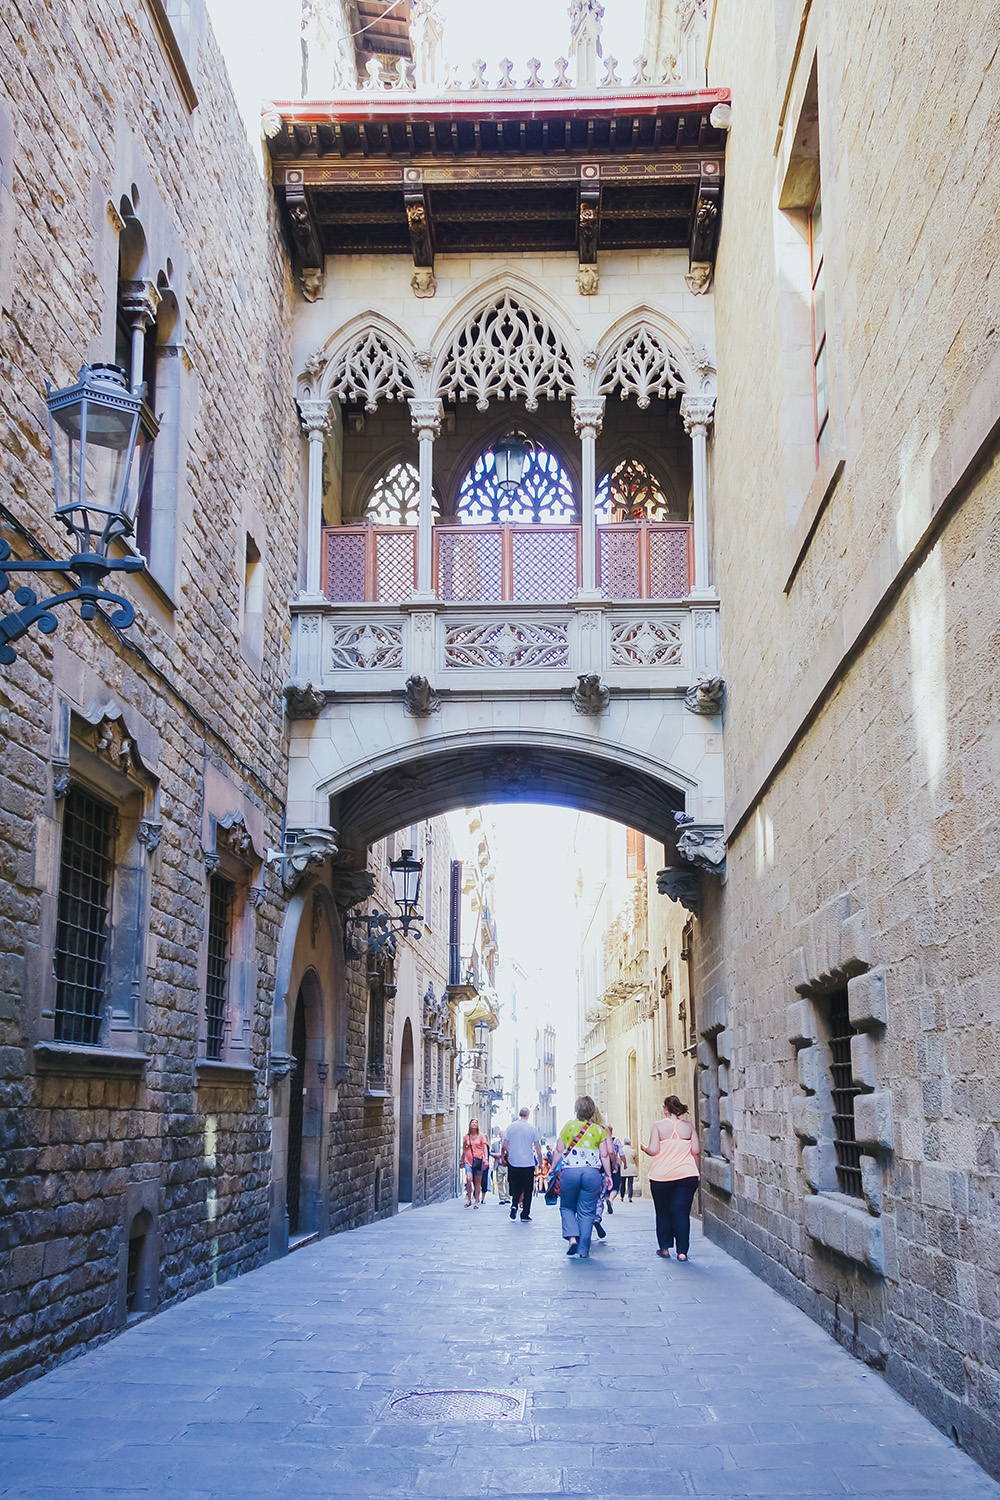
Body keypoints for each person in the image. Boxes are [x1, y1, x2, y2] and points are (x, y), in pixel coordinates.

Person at [549, 1095, 614, 1258]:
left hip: (570, 1172)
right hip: (591, 1173)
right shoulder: (599, 1130)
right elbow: (605, 1155)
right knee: (587, 1211)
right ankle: (584, 1250)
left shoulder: (568, 1127)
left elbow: (558, 1151)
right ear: (592, 1111)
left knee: (567, 1207)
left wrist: (551, 1168)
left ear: (576, 1110)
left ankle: (572, 1238)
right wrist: (608, 1175)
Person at [642, 1095, 700, 1260]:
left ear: (666, 1109)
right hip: (686, 1175)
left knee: (663, 1212)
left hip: (661, 1177)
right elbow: (695, 1150)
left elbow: (653, 1150)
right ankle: (682, 1252)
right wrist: (697, 1171)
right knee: (682, 1214)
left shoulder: (658, 1126)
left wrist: (643, 1147)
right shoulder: (689, 1127)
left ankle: (665, 1248)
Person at [502, 1106, 541, 1221]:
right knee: (528, 1189)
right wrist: (540, 1161)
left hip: (514, 1162)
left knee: (516, 1186)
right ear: (528, 1115)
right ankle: (525, 1213)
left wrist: (511, 1152)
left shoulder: (511, 1127)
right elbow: (537, 1146)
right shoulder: (532, 1128)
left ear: (519, 1114)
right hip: (527, 1163)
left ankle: (514, 1205)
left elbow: (504, 1144)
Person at [461, 1118, 491, 1208]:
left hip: (479, 1160)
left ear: (477, 1125)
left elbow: (485, 1148)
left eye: (476, 1122)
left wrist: (486, 1158)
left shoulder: (481, 1136)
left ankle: (476, 1201)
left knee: (478, 1182)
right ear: (470, 1124)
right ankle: (469, 1199)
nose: (474, 1123)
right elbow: (464, 1149)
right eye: (472, 1122)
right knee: (469, 1179)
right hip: (468, 1161)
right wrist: (461, 1160)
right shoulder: (466, 1137)